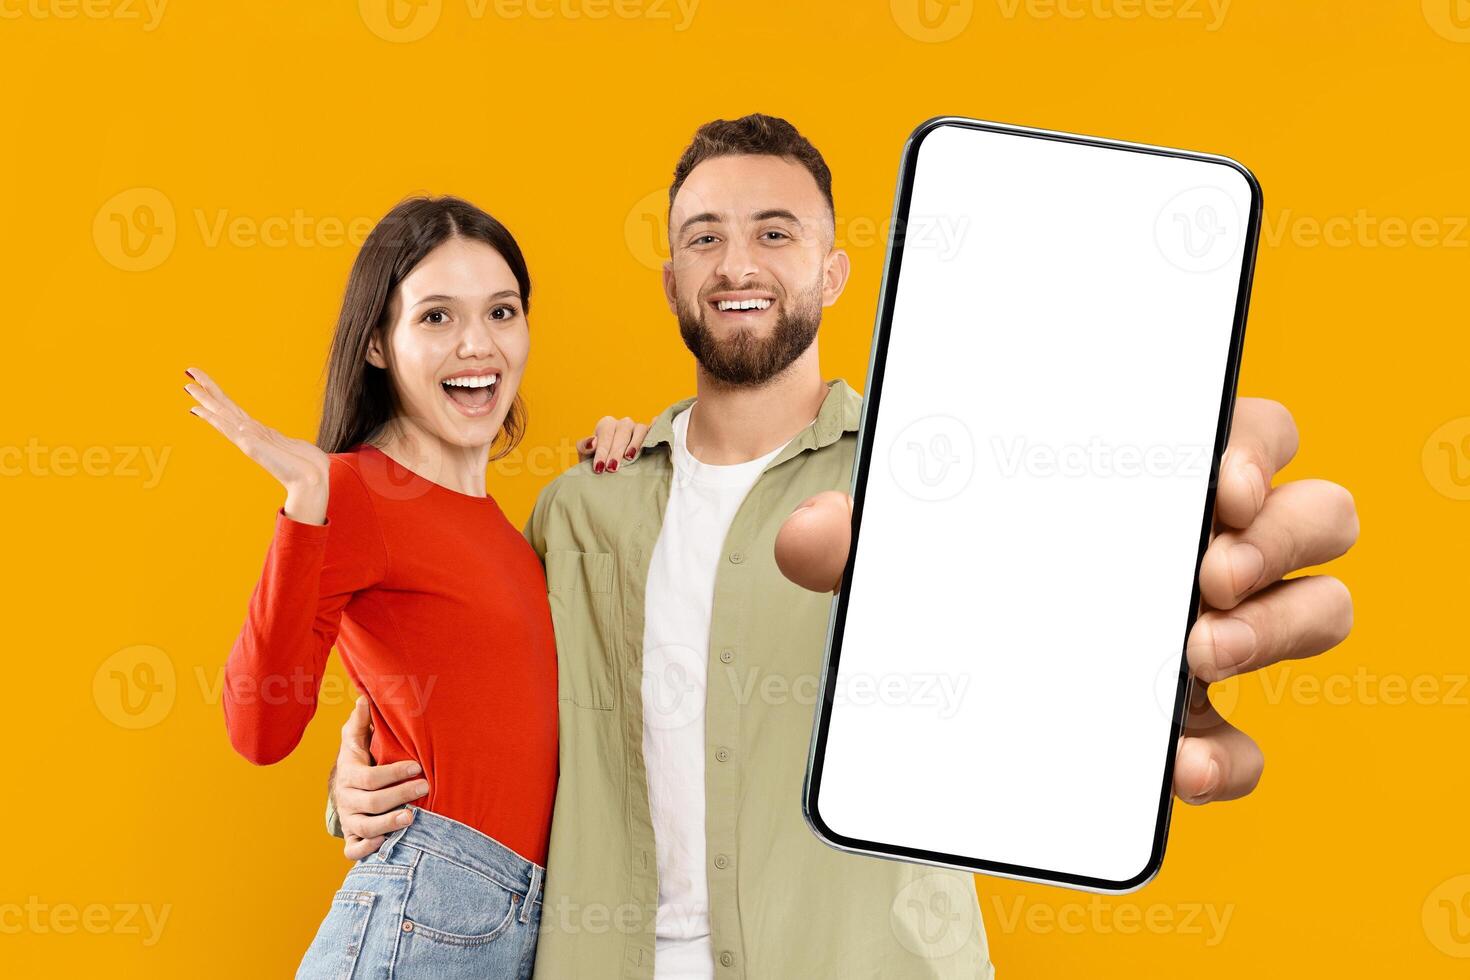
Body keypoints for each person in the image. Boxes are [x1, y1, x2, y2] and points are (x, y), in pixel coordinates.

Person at [332, 115, 1359, 978]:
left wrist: (1124, 636)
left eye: (774, 233)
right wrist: (363, 774)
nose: (737, 262)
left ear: (833, 268)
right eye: (704, 237)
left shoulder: (937, 483)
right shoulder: (578, 510)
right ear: (670, 276)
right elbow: (482, 692)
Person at [188, 196, 638, 979]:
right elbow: (258, 730)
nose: (478, 345)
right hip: (429, 913)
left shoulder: (502, 529)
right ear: (375, 344)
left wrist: (633, 462)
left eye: (502, 311)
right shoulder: (353, 493)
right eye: (436, 318)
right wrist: (305, 506)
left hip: (511, 920)